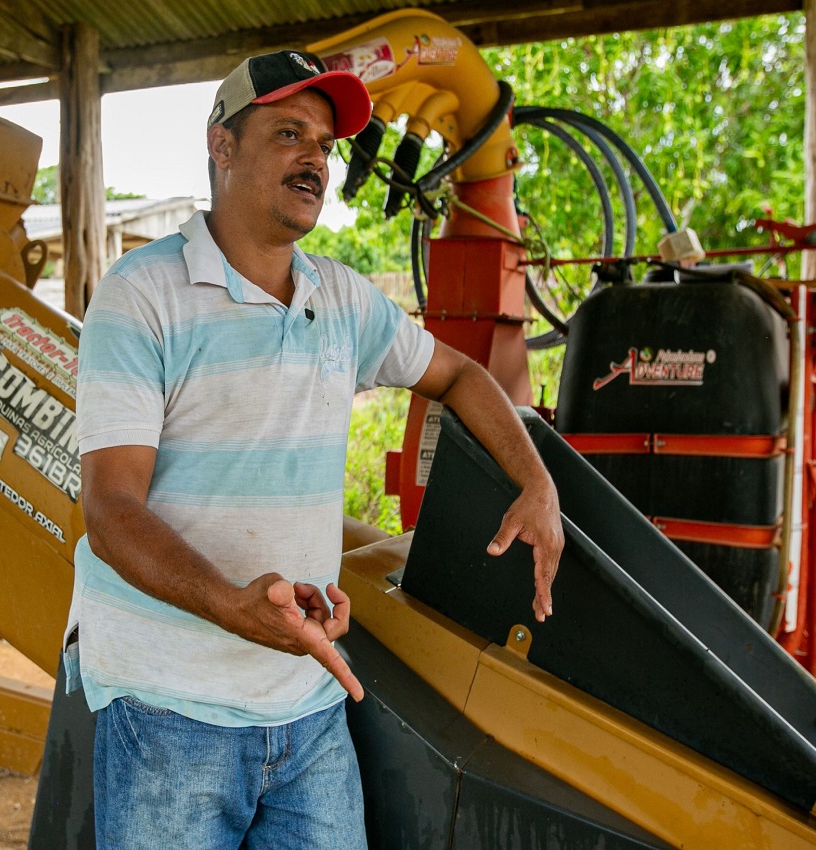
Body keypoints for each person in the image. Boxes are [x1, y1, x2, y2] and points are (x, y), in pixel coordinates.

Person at [61, 50, 563, 850]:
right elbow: (110, 509)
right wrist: (230, 604)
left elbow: (462, 375)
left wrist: (536, 482)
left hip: (308, 704)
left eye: (325, 145)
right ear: (222, 146)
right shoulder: (141, 295)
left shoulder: (343, 298)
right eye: (289, 133)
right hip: (169, 711)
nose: (315, 160)